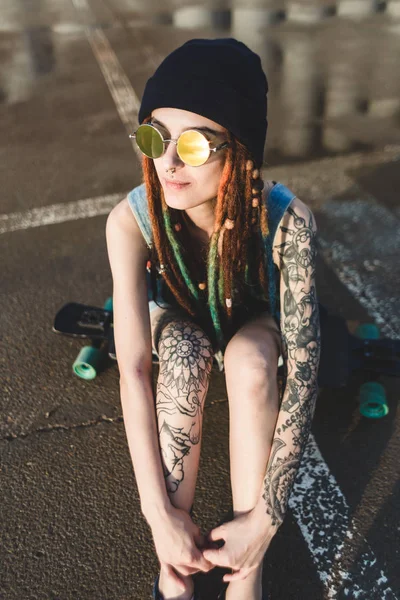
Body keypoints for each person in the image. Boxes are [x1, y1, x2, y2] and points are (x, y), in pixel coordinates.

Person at [106, 38, 321, 600]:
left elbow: (303, 371)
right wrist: (159, 519)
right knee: (182, 357)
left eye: (197, 145)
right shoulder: (130, 222)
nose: (170, 163)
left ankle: (244, 573)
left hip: (250, 320)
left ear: (240, 149)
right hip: (180, 320)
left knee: (252, 362)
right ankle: (174, 570)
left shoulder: (287, 220)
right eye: (155, 137)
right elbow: (134, 369)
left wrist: (265, 522)